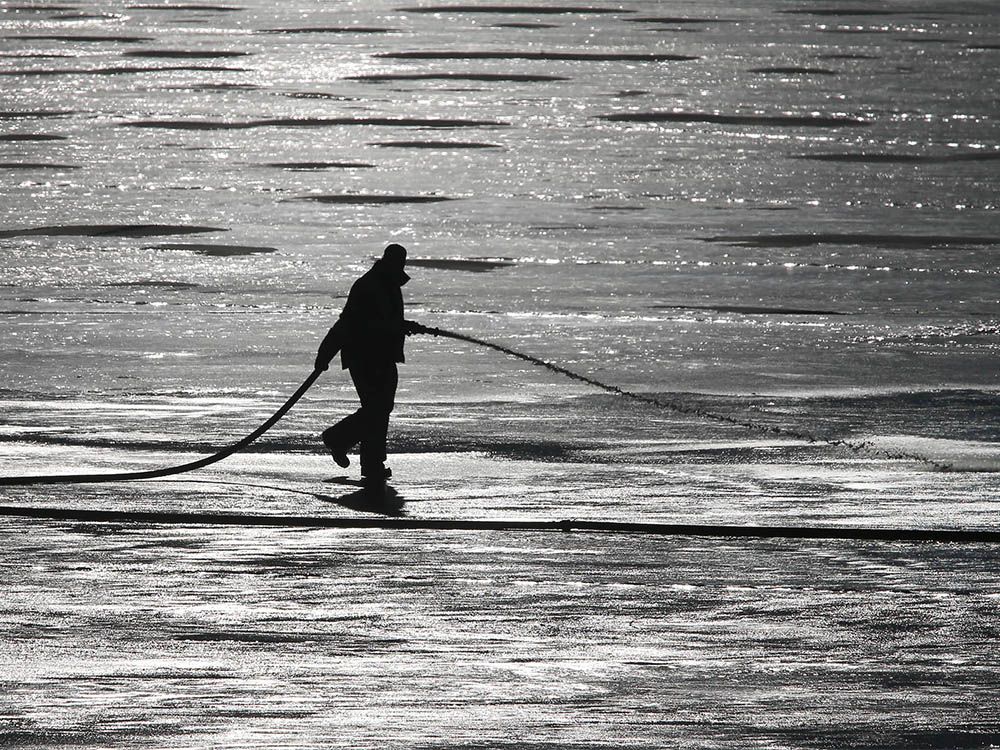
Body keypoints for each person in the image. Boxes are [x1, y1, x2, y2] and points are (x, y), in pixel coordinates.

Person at [315, 244, 423, 484]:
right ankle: (339, 439)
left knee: (379, 408)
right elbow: (350, 322)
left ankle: (370, 462)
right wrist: (325, 353)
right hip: (365, 356)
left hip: (381, 355)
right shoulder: (369, 284)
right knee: (377, 408)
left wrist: (405, 325)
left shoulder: (387, 283)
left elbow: (385, 320)